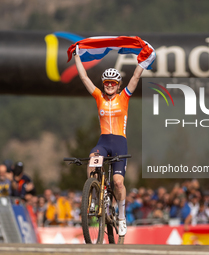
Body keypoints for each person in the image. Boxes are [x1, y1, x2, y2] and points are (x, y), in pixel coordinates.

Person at [74, 44, 145, 236]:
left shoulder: (124, 96)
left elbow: (136, 77)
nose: (110, 85)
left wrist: (144, 61)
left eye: (113, 82)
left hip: (120, 143)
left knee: (118, 182)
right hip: (104, 142)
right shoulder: (99, 96)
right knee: (92, 161)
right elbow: (84, 78)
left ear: (118, 84)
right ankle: (94, 195)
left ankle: (121, 216)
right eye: (107, 82)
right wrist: (77, 57)